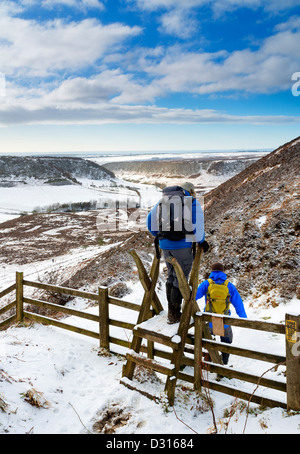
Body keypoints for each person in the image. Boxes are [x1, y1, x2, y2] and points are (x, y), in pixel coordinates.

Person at [147, 182, 208, 324]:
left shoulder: (163, 201)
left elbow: (150, 222)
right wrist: (201, 242)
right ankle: (174, 315)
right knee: (181, 278)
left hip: (164, 245)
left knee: (171, 276)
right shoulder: (192, 202)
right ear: (190, 192)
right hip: (182, 246)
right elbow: (198, 227)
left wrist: (161, 235)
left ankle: (171, 313)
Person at [196, 262, 247, 365]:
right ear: (223, 271)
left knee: (208, 341)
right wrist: (243, 318)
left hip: (209, 320)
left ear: (212, 271)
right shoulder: (229, 285)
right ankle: (224, 363)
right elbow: (238, 302)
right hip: (224, 321)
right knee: (227, 342)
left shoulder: (207, 283)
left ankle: (209, 362)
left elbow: (194, 296)